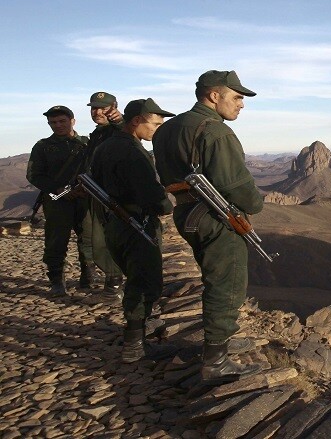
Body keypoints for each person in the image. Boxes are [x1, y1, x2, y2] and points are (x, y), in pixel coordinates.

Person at [153, 70, 263, 383]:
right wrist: (256, 205)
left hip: (185, 214)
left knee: (213, 278)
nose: (241, 104)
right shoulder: (216, 132)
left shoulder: (166, 130)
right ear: (214, 95)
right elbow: (236, 186)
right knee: (226, 284)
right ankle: (216, 361)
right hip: (216, 218)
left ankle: (214, 346)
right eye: (237, 96)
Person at [90, 98, 176, 362]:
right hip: (137, 223)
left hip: (115, 223)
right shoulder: (133, 151)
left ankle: (138, 330)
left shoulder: (104, 148)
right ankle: (134, 345)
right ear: (137, 121)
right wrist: (166, 206)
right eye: (155, 124)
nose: (157, 130)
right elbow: (151, 194)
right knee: (145, 282)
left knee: (135, 277)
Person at [26, 106, 92, 296]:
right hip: (57, 199)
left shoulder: (87, 144)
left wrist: (83, 188)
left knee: (88, 238)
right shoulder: (43, 146)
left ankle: (88, 277)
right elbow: (34, 174)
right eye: (53, 122)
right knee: (56, 240)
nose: (58, 125)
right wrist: (57, 188)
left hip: (85, 197)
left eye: (62, 121)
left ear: (73, 121)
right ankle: (56, 280)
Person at [84, 91, 126, 295]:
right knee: (98, 240)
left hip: (112, 195)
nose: (98, 112)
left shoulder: (118, 129)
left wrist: (119, 120)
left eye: (104, 108)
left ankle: (115, 283)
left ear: (114, 108)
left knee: (108, 240)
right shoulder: (99, 133)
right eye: (94, 108)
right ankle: (112, 280)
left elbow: (125, 130)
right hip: (96, 194)